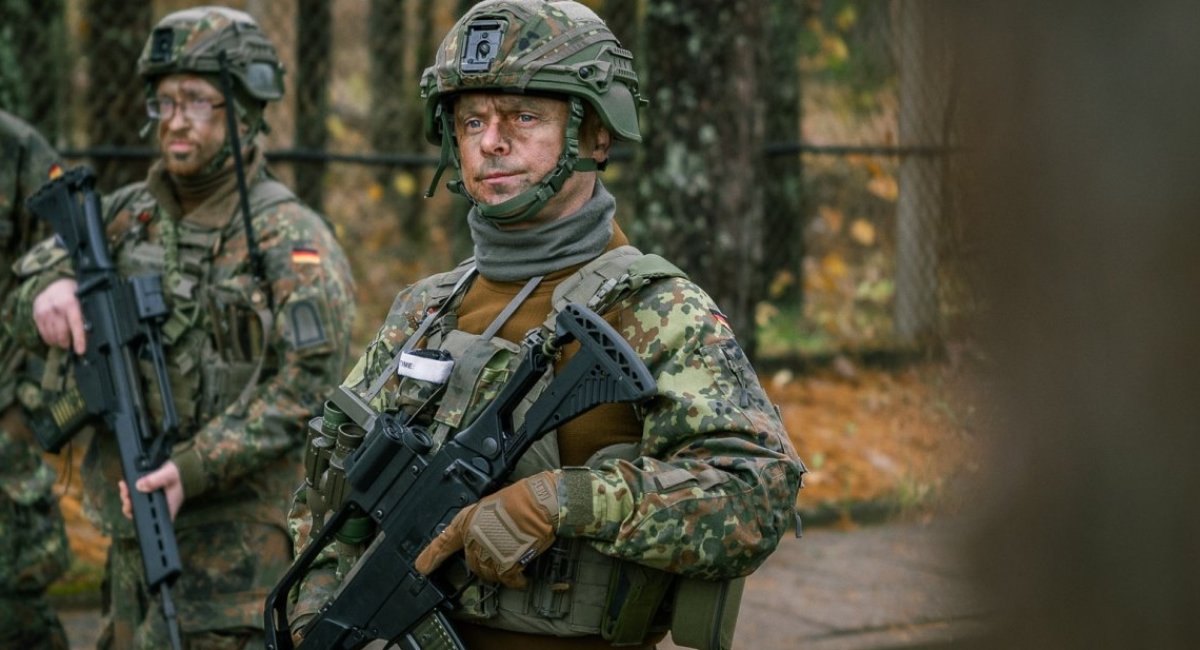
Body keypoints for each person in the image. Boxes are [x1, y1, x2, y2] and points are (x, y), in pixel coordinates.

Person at [286, 2, 805, 649]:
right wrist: (317, 620)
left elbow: (756, 495)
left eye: (523, 116)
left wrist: (561, 502)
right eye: (472, 119)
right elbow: (330, 500)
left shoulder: (656, 309)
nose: (491, 141)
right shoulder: (425, 311)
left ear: (596, 134)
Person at [5, 7, 356, 649]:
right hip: (130, 536)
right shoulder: (121, 218)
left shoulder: (291, 240)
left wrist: (194, 466)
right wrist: (45, 293)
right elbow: (23, 290)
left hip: (238, 549)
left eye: (198, 101)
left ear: (245, 110)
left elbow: (311, 386)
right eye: (164, 102)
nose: (175, 120)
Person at [0, 110, 72, 650]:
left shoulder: (20, 152)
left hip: (4, 408)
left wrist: (24, 408)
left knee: (16, 602)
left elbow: (63, 270)